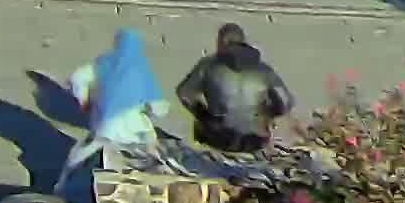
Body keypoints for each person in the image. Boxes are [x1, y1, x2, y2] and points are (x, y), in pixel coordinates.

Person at [174, 23, 295, 152]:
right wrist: (267, 114)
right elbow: (286, 103)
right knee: (262, 124)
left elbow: (184, 93)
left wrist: (203, 114)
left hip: (217, 138)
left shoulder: (209, 65)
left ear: (222, 42)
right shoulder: (264, 69)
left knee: (201, 123)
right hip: (254, 141)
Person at [64, 26, 166, 177]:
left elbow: (76, 79)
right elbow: (158, 108)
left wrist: (84, 100)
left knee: (79, 160)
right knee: (152, 162)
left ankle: (64, 188)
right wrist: (149, 113)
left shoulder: (103, 63)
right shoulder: (141, 70)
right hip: (137, 130)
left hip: (106, 127)